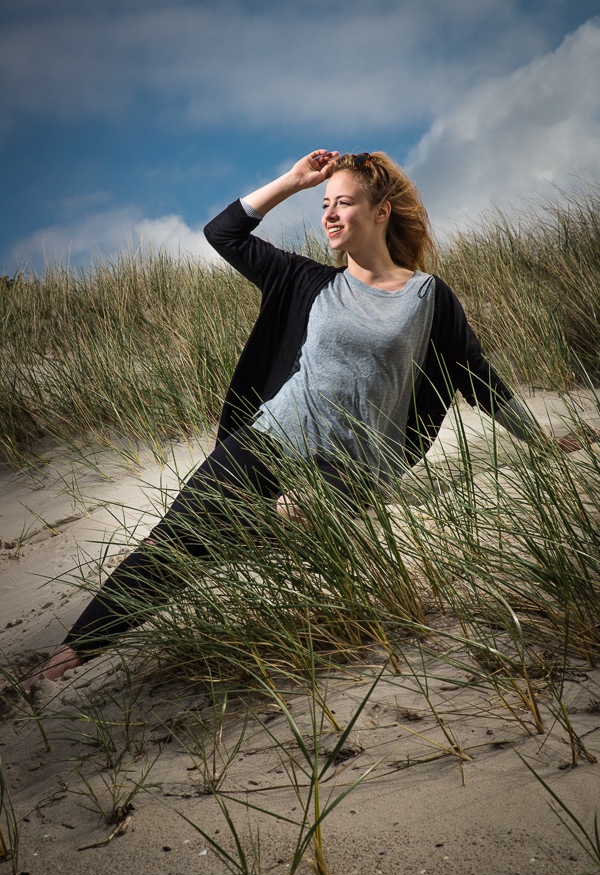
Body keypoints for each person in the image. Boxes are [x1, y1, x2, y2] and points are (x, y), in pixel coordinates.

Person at [24, 149, 587, 691]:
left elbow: (476, 376)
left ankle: (260, 540)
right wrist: (293, 182)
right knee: (179, 537)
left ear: (380, 211)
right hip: (270, 437)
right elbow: (223, 234)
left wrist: (541, 443)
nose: (330, 214)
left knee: (285, 519)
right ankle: (75, 652)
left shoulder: (425, 298)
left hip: (347, 468)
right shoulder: (307, 282)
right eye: (324, 206)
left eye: (342, 203)